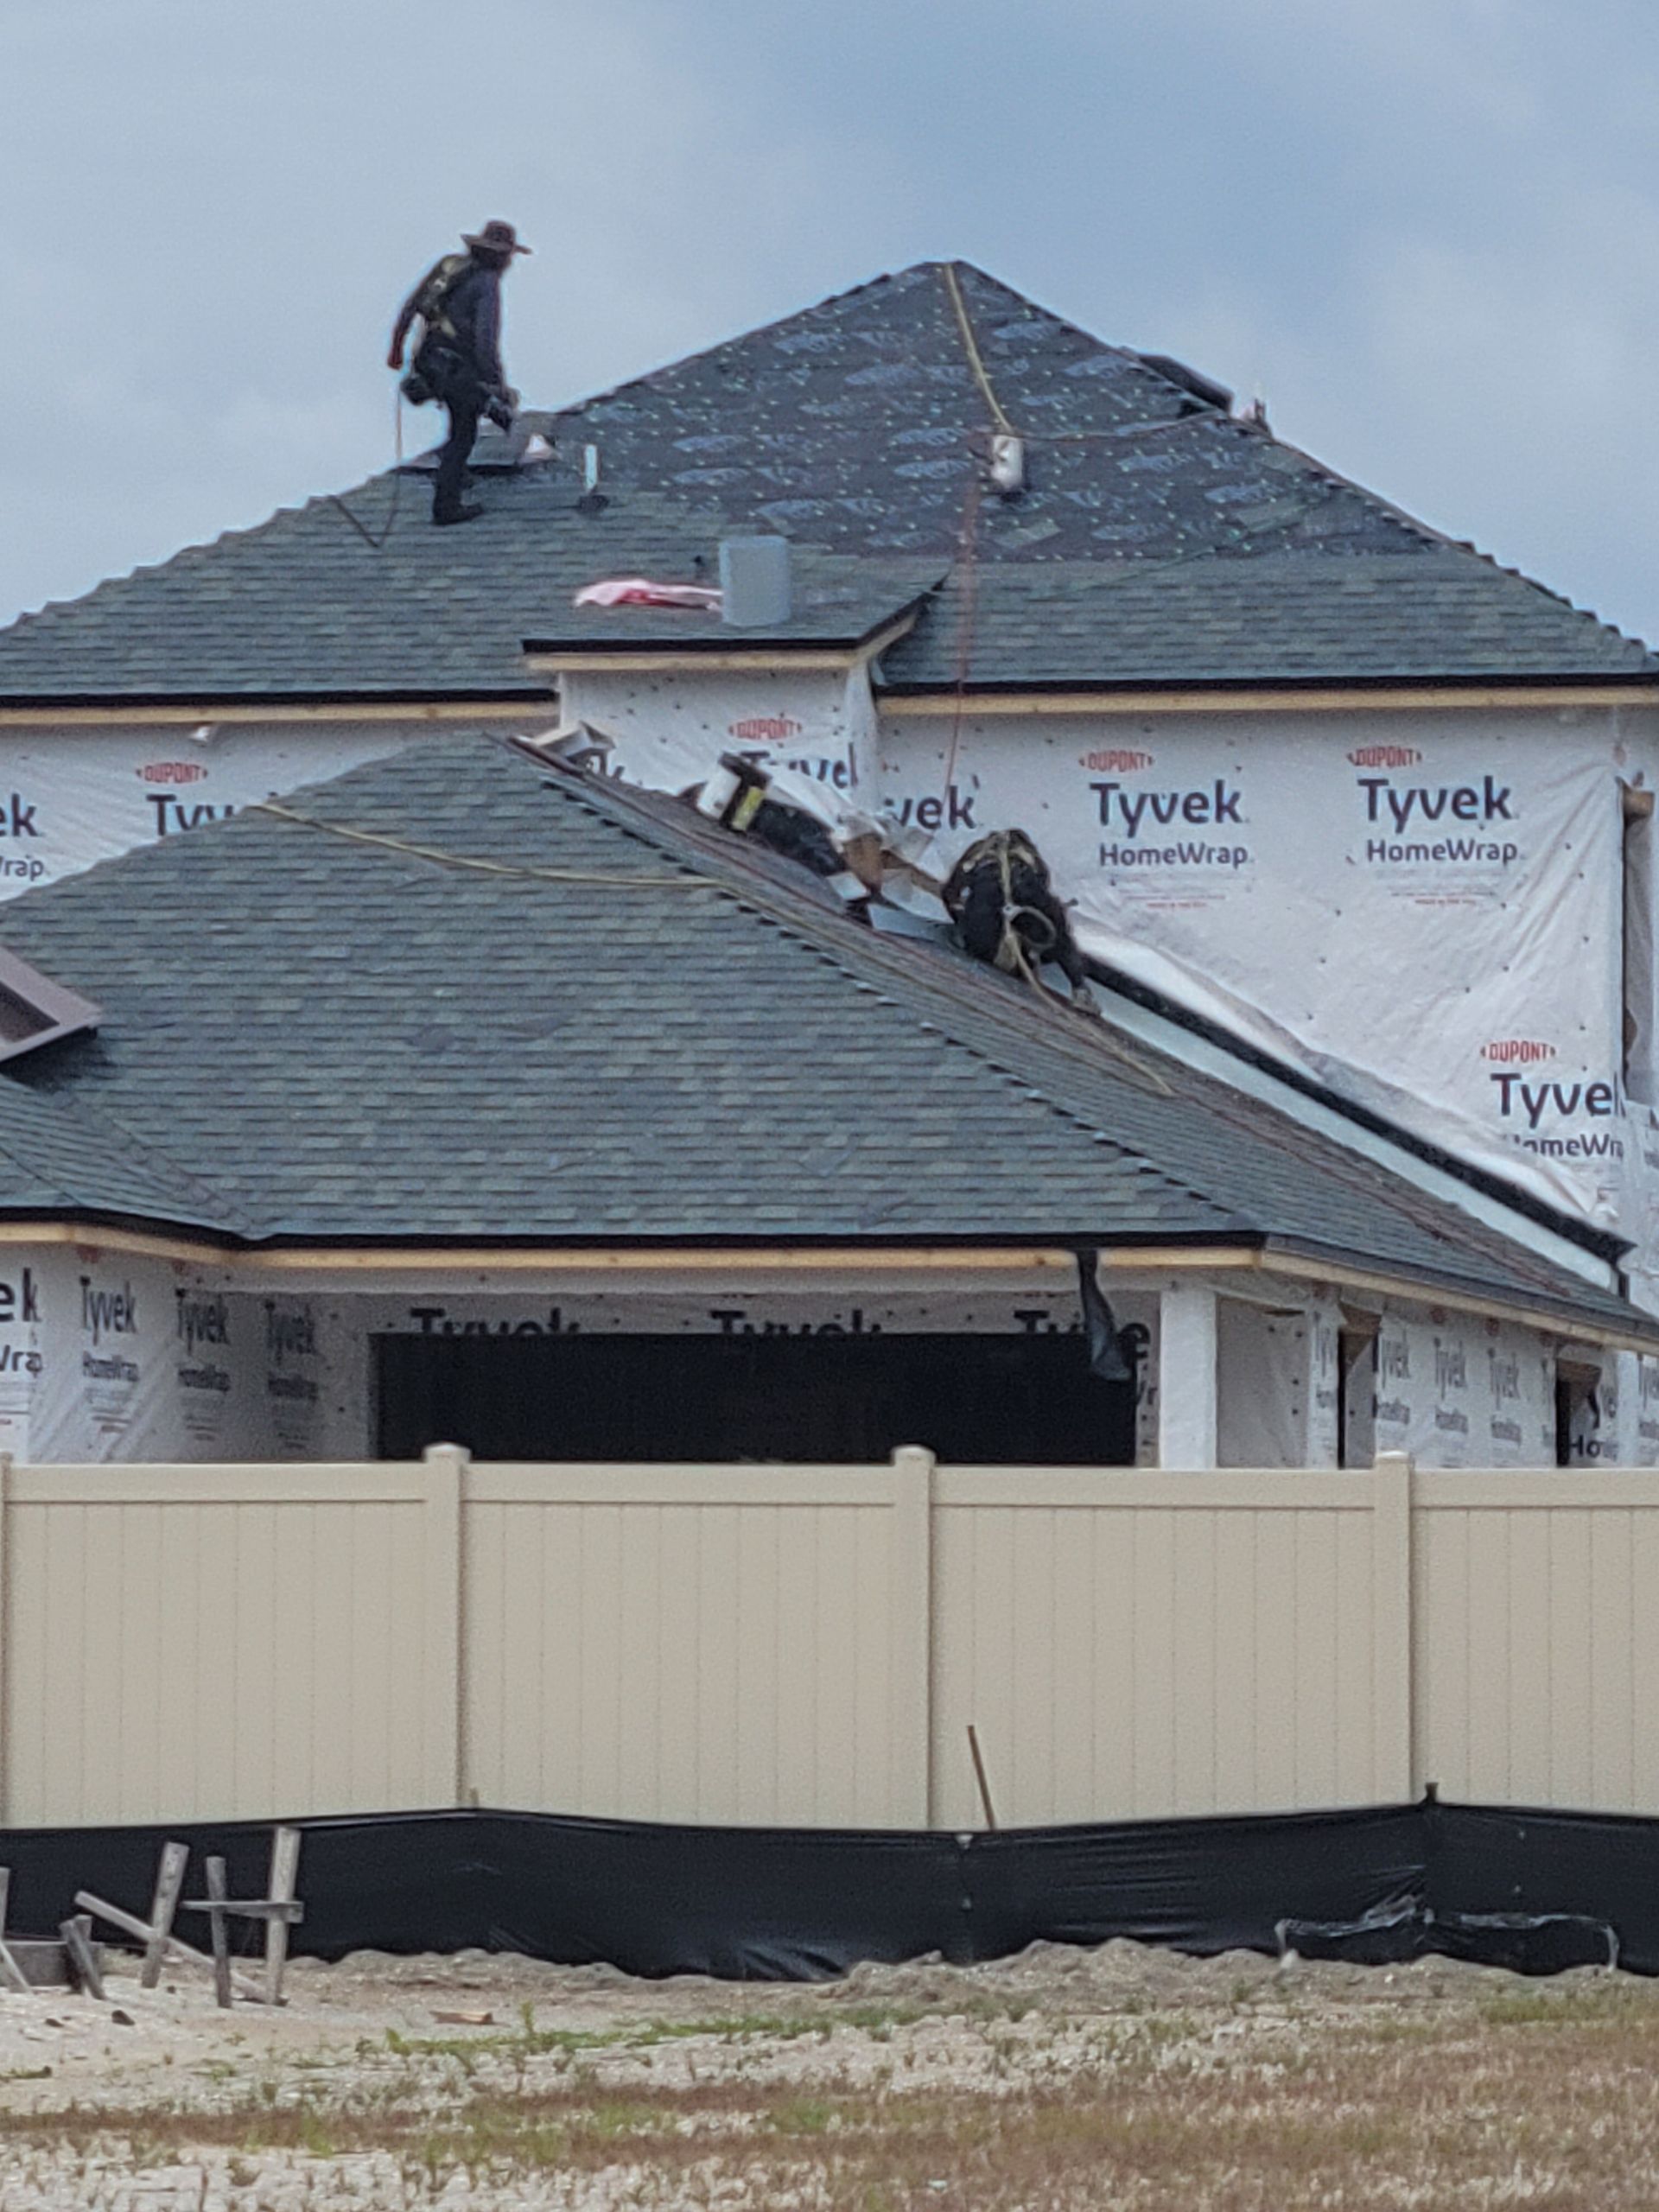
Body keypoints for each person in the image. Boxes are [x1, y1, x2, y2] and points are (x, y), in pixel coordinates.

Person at [388, 220, 531, 526]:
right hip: (456, 368)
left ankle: (456, 474)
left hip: (429, 360)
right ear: (501, 256)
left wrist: (396, 351)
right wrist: (496, 385)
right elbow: (485, 342)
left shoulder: (449, 267)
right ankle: (447, 506)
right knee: (464, 433)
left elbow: (410, 308)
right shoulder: (487, 283)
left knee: (458, 416)